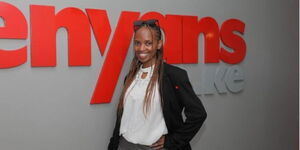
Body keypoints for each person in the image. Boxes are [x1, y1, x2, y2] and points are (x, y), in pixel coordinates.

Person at [108, 19, 207, 150]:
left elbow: (198, 114)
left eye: (148, 43)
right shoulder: (130, 77)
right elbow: (124, 117)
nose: (141, 48)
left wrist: (173, 140)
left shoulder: (174, 76)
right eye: (137, 43)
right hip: (125, 145)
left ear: (159, 44)